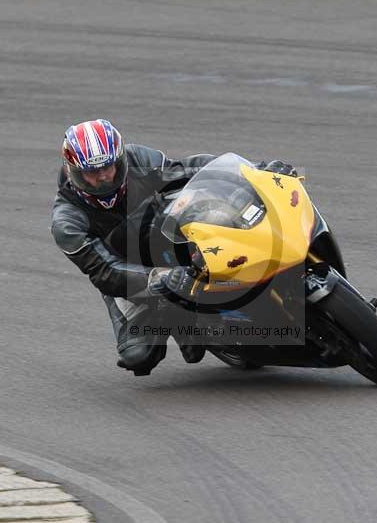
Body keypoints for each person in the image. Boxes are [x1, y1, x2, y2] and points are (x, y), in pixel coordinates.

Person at [50, 119, 297, 376]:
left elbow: (187, 169)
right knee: (138, 356)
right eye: (92, 172)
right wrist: (159, 278)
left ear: (120, 159)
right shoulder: (67, 220)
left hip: (165, 232)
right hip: (129, 272)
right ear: (73, 171)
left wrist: (257, 171)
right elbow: (104, 271)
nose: (103, 177)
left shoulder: (138, 160)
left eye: (109, 167)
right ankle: (184, 322)